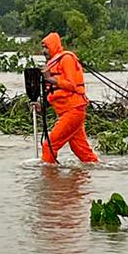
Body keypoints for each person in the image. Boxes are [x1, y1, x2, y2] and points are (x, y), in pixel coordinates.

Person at [32, 32, 99, 164]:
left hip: (74, 110)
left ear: (54, 46)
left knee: (48, 146)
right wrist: (41, 105)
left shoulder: (66, 59)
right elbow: (56, 93)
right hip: (66, 112)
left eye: (46, 47)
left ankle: (49, 180)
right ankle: (95, 175)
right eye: (43, 48)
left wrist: (50, 78)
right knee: (82, 152)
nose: (44, 51)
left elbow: (71, 84)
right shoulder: (51, 65)